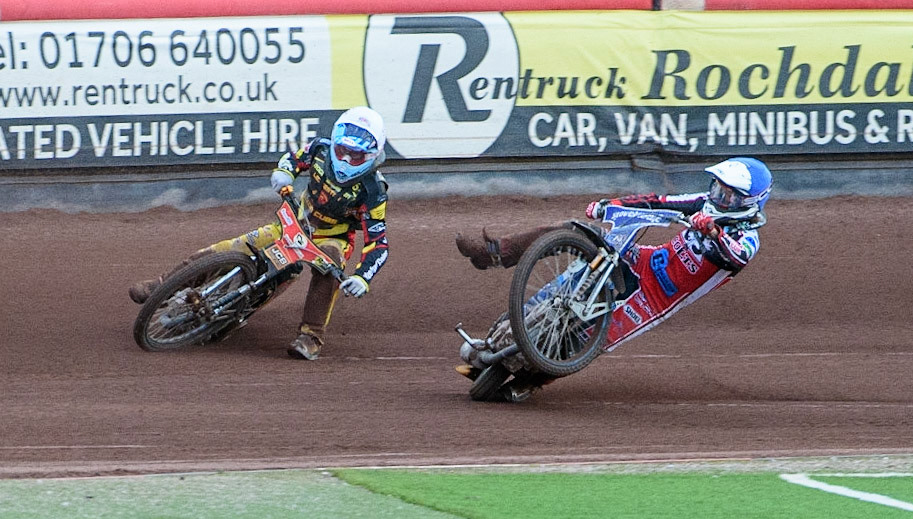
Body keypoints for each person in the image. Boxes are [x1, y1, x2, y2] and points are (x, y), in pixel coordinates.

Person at [129, 106, 390, 360]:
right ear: (334, 141)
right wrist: (284, 172)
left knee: (329, 270)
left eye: (355, 156)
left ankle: (311, 337)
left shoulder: (374, 191)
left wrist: (362, 277)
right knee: (230, 247)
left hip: (333, 237)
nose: (345, 160)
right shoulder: (320, 148)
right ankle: (160, 285)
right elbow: (293, 159)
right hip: (295, 220)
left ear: (372, 155)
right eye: (342, 150)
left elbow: (378, 244)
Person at [455, 156, 771, 359]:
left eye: (728, 194)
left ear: (749, 202)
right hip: (643, 260)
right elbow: (658, 201)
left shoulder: (748, 238)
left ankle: (529, 374)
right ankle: (497, 253)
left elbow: (735, 256)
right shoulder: (704, 202)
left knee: (580, 341)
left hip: (654, 300)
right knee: (575, 232)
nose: (718, 197)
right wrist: (611, 205)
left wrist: (714, 232)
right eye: (717, 188)